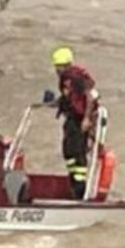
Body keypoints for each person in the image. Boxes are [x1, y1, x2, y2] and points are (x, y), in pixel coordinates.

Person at [47, 46, 101, 199]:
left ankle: (80, 189)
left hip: (79, 120)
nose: (56, 69)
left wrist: (86, 118)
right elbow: (68, 97)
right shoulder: (67, 79)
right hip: (72, 119)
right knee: (68, 151)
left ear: (66, 65)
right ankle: (74, 183)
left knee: (77, 154)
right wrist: (55, 103)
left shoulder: (76, 77)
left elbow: (90, 97)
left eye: (58, 66)